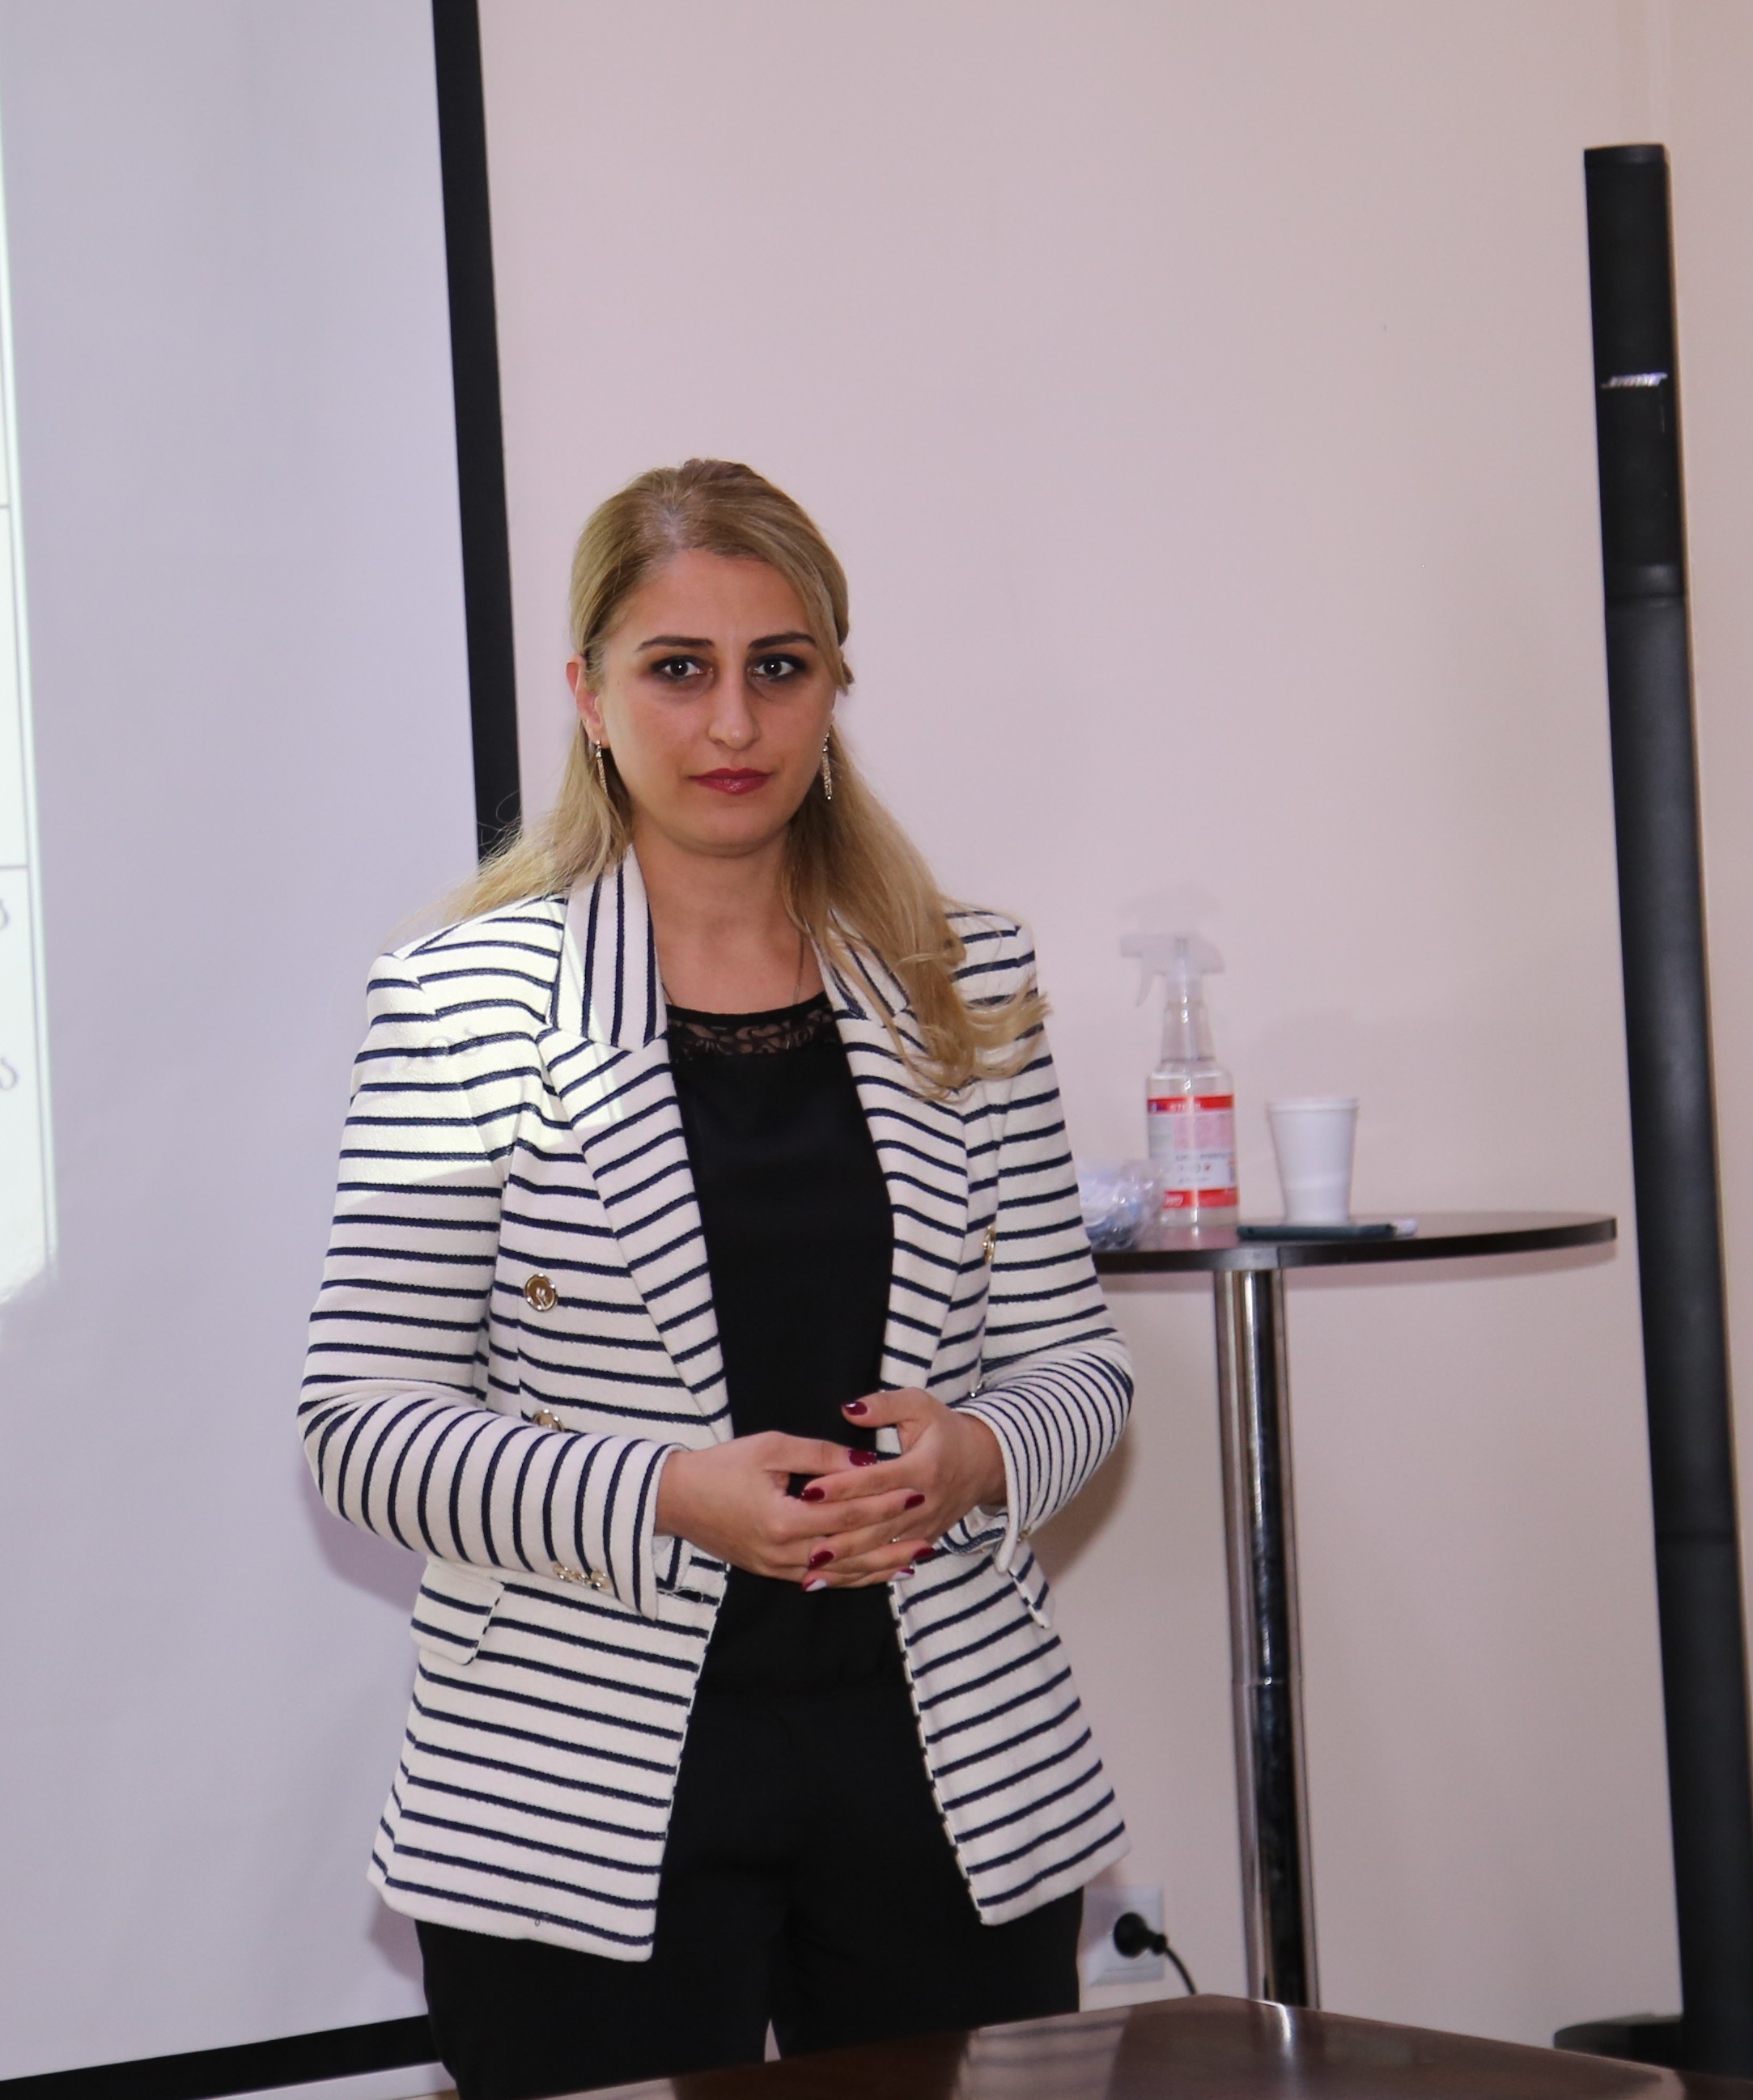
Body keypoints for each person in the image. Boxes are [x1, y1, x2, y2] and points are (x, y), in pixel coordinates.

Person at [299, 459, 1131, 2100]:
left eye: (779, 666)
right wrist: (672, 1493)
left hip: (943, 1765)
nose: (733, 722)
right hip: (573, 1782)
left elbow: (1077, 1368)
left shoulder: (964, 976)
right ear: (589, 696)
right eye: (677, 668)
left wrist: (975, 1456)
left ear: (833, 686)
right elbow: (360, 1425)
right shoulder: (463, 1000)